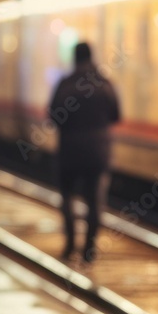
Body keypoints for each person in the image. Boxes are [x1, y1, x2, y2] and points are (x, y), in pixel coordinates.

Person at [48, 41, 120, 263]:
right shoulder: (104, 83)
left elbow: (53, 115)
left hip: (70, 150)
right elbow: (116, 115)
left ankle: (70, 245)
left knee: (67, 197)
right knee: (94, 200)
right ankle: (89, 249)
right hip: (97, 153)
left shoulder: (65, 84)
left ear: (74, 58)